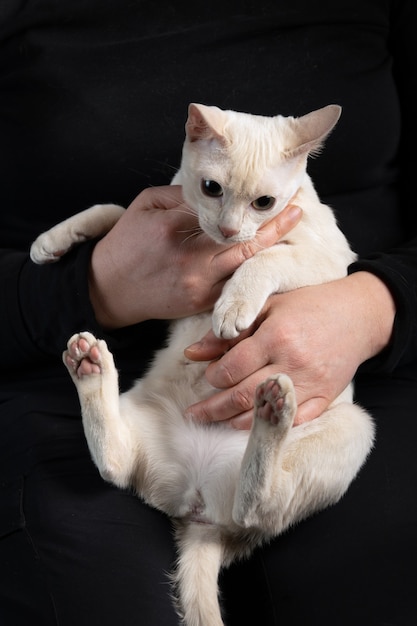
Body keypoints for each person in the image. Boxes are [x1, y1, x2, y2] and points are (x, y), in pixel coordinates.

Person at [1, 1, 416, 624]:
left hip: (336, 387)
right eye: (213, 191)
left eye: (261, 205)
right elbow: (141, 230)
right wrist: (92, 280)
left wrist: (376, 304)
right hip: (138, 396)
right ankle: (112, 427)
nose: (229, 226)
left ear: (303, 163)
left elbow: (318, 262)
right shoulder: (205, 157)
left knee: (357, 458)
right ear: (194, 135)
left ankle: (261, 467)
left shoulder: (297, 200)